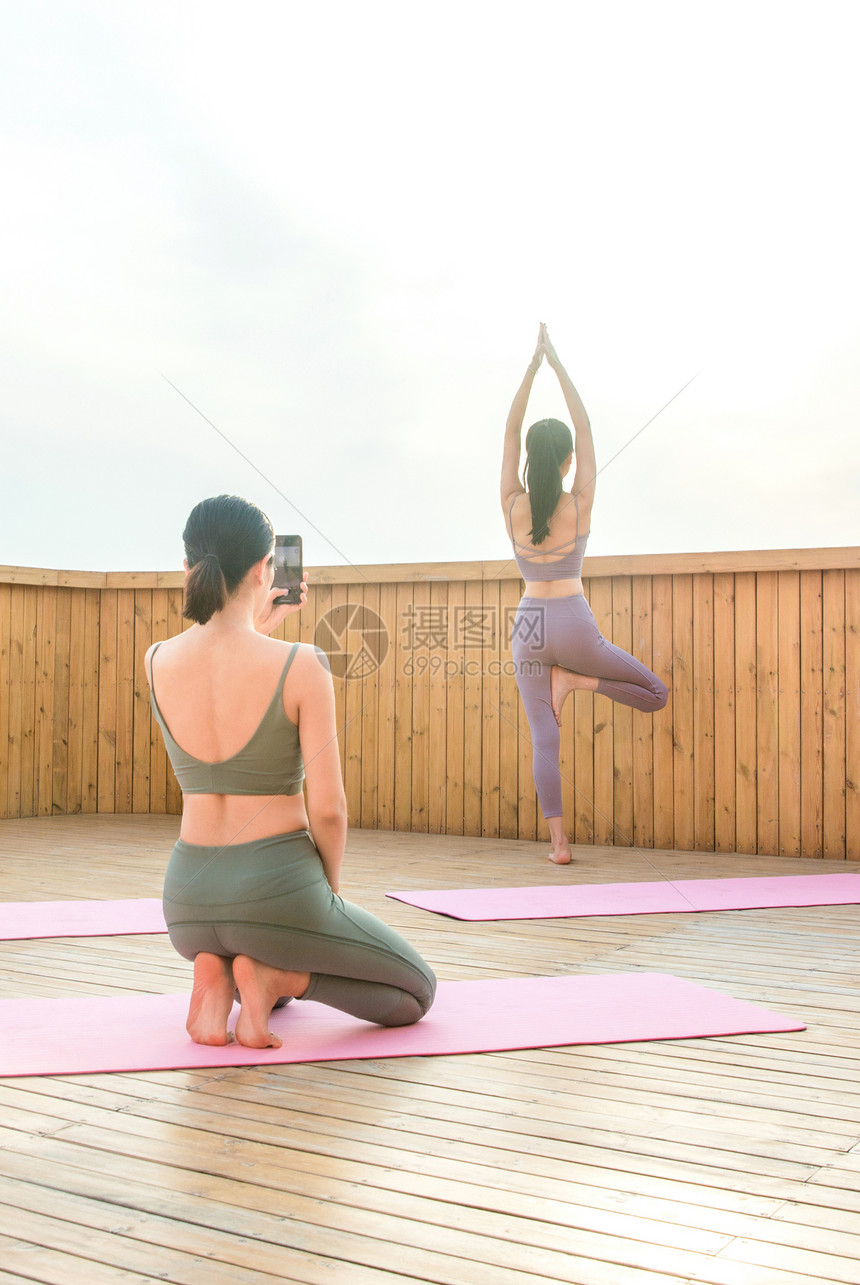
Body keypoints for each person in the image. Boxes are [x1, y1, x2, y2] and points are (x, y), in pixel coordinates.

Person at [145, 494, 436, 1048]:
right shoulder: (303, 664)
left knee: (259, 936)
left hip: (186, 901)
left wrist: (263, 619)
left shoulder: (156, 658)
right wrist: (322, 898)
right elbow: (329, 809)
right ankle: (278, 977)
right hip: (277, 891)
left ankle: (218, 971)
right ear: (264, 570)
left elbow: (224, 656)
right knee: (416, 993)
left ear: (188, 570)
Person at [501, 325, 668, 865]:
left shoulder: (511, 502)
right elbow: (586, 425)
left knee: (543, 739)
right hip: (571, 620)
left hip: (527, 625)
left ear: (529, 457)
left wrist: (530, 369)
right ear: (568, 461)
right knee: (656, 693)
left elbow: (509, 431)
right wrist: (557, 365)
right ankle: (579, 680)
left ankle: (559, 844)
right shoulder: (580, 502)